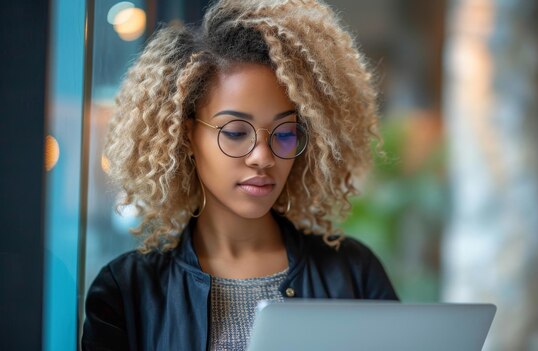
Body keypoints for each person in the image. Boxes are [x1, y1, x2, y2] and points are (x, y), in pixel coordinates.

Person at [82, 0, 398, 350]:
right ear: (186, 136)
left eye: (284, 134)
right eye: (235, 132)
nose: (263, 157)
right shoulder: (126, 291)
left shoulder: (354, 273)